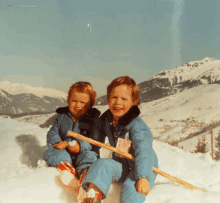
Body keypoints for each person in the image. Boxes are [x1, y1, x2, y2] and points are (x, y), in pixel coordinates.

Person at [81, 76, 158, 203]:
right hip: (121, 163)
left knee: (131, 187)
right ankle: (93, 195)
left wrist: (143, 177)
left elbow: (144, 150)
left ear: (134, 101)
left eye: (124, 99)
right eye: (114, 97)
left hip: (142, 165)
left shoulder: (137, 125)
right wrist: (87, 163)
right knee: (102, 164)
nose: (118, 102)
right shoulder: (105, 121)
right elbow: (94, 142)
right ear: (108, 99)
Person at [43, 81, 101, 194]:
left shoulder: (93, 121)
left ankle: (86, 176)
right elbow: (53, 131)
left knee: (90, 157)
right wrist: (57, 142)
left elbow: (96, 141)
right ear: (68, 100)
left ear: (90, 104)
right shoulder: (62, 117)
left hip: (84, 153)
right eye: (74, 101)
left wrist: (81, 146)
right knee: (53, 153)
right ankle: (68, 173)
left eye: (83, 102)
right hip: (65, 152)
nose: (77, 105)